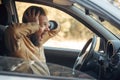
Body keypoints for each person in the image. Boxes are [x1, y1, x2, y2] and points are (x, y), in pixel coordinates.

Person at [4, 6, 60, 75]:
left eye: (47, 25)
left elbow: (56, 29)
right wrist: (35, 25)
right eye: (43, 25)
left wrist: (49, 24)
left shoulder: (38, 40)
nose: (47, 29)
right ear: (30, 26)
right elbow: (13, 31)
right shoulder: (18, 43)